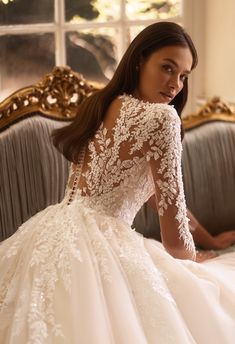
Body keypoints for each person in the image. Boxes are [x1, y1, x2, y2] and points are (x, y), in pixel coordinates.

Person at [0, 21, 235, 343]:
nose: (175, 84)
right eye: (167, 68)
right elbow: (175, 241)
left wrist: (208, 237)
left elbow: (155, 196)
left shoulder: (101, 103)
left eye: (183, 76)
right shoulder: (162, 119)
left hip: (51, 231)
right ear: (139, 60)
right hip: (102, 244)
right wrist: (197, 258)